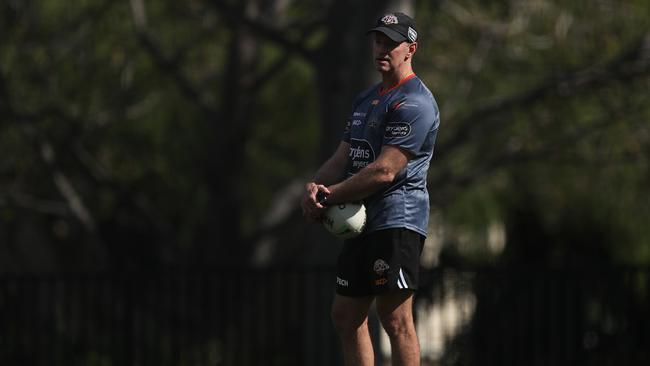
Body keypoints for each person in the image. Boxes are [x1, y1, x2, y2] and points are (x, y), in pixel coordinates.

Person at [301, 12, 440, 366]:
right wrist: (316, 187)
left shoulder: (416, 101)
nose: (382, 48)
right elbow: (341, 157)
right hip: (361, 220)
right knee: (346, 316)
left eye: (391, 43)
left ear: (411, 49)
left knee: (396, 319)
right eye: (378, 40)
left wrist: (332, 196)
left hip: (397, 218)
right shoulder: (366, 98)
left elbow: (384, 171)